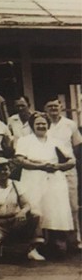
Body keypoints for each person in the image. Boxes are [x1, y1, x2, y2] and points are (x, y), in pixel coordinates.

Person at [15, 112, 75, 255]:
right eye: (38, 124)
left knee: (54, 210)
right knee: (36, 209)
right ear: (32, 125)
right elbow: (20, 161)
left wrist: (58, 167)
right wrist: (40, 166)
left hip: (54, 179)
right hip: (32, 179)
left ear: (48, 125)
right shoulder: (25, 141)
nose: (41, 126)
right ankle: (35, 245)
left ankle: (55, 242)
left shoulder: (56, 141)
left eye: (43, 123)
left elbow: (72, 161)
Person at [0, 157, 43, 260]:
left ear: (10, 170)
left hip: (15, 221)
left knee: (35, 214)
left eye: (5, 169)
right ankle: (1, 247)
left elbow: (27, 205)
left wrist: (22, 212)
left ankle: (32, 249)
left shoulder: (16, 185)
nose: (2, 172)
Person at [42, 98, 81, 250]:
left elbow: (77, 146)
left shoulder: (70, 124)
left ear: (61, 107)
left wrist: (67, 160)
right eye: (49, 106)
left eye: (55, 106)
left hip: (68, 168)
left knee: (72, 204)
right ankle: (52, 241)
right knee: (52, 204)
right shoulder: (43, 123)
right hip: (50, 169)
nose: (53, 108)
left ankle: (75, 239)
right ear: (45, 109)